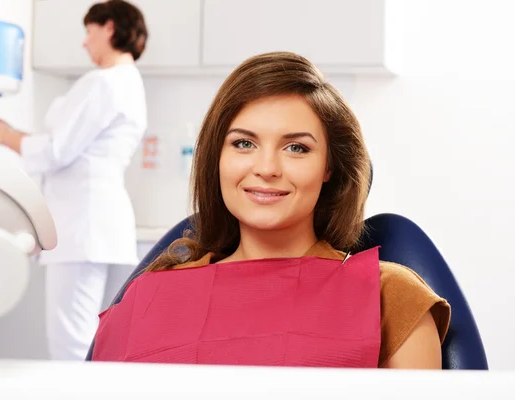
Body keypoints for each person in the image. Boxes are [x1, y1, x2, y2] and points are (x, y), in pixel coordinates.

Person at [90, 51, 451, 369]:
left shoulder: (390, 297)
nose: (266, 168)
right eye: (243, 143)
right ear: (217, 159)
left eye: (296, 148)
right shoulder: (148, 299)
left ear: (329, 167)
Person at [0, 0, 148, 361]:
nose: (84, 43)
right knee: (87, 337)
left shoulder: (104, 83)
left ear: (109, 28)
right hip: (94, 222)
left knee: (71, 342)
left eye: (89, 32)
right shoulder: (129, 84)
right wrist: (13, 135)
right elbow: (72, 150)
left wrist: (2, 136)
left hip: (82, 225)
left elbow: (58, 151)